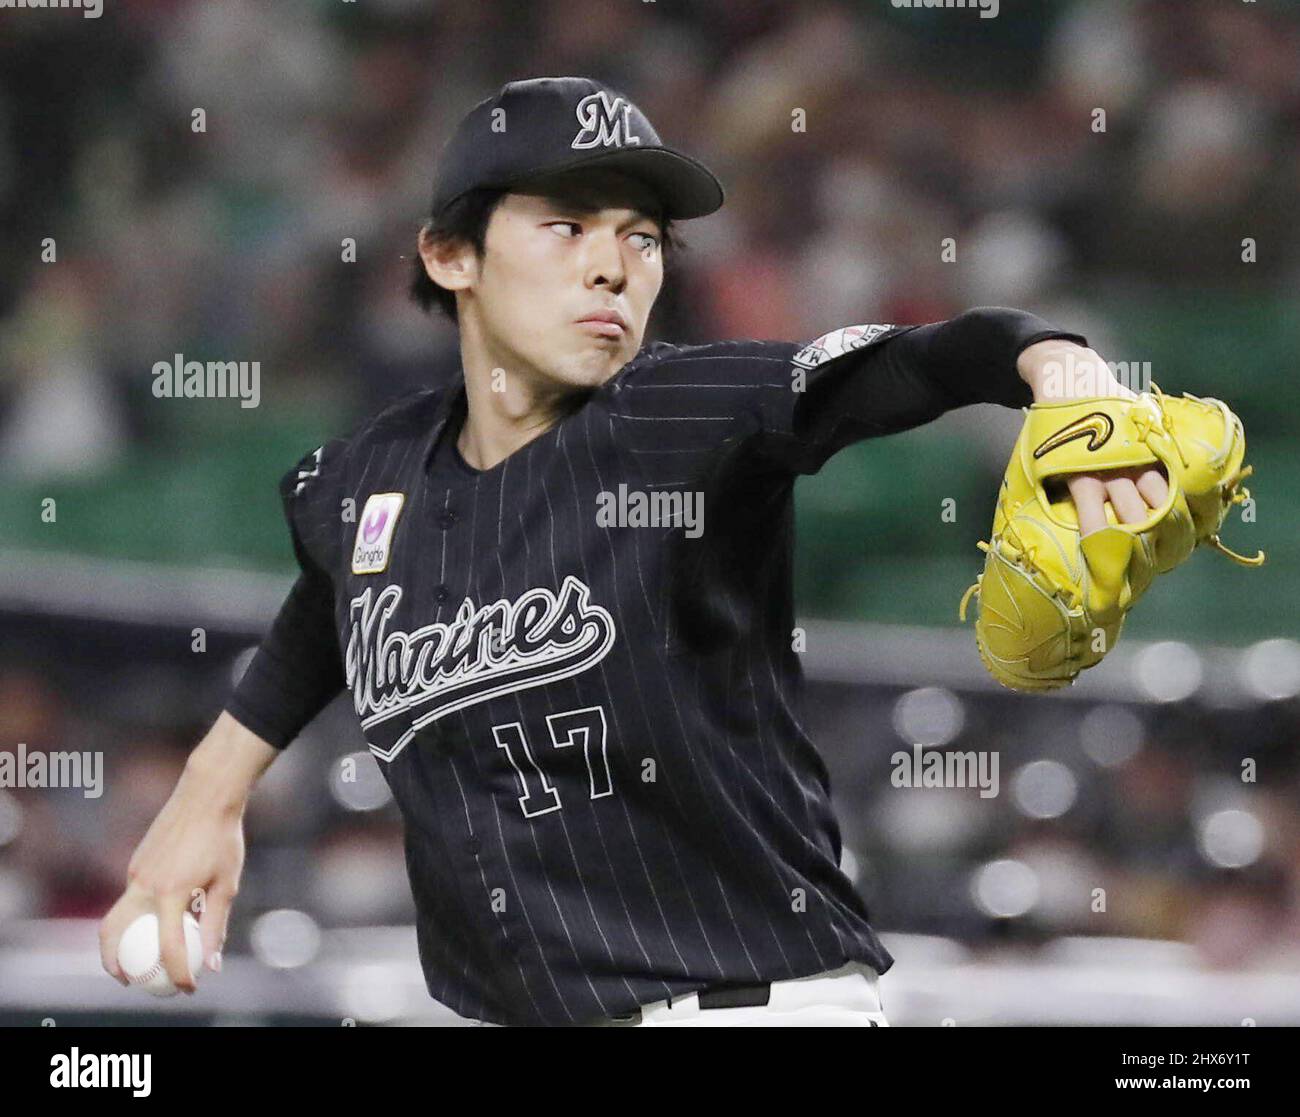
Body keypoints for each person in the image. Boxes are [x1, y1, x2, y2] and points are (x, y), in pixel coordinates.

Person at [100, 76, 1166, 1027]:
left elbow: (918, 361)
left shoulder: (683, 413)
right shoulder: (370, 476)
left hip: (744, 1006)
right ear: (448, 253)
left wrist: (1052, 360)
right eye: (566, 227)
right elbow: (331, 600)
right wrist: (210, 793)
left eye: (643, 236)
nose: (614, 265)